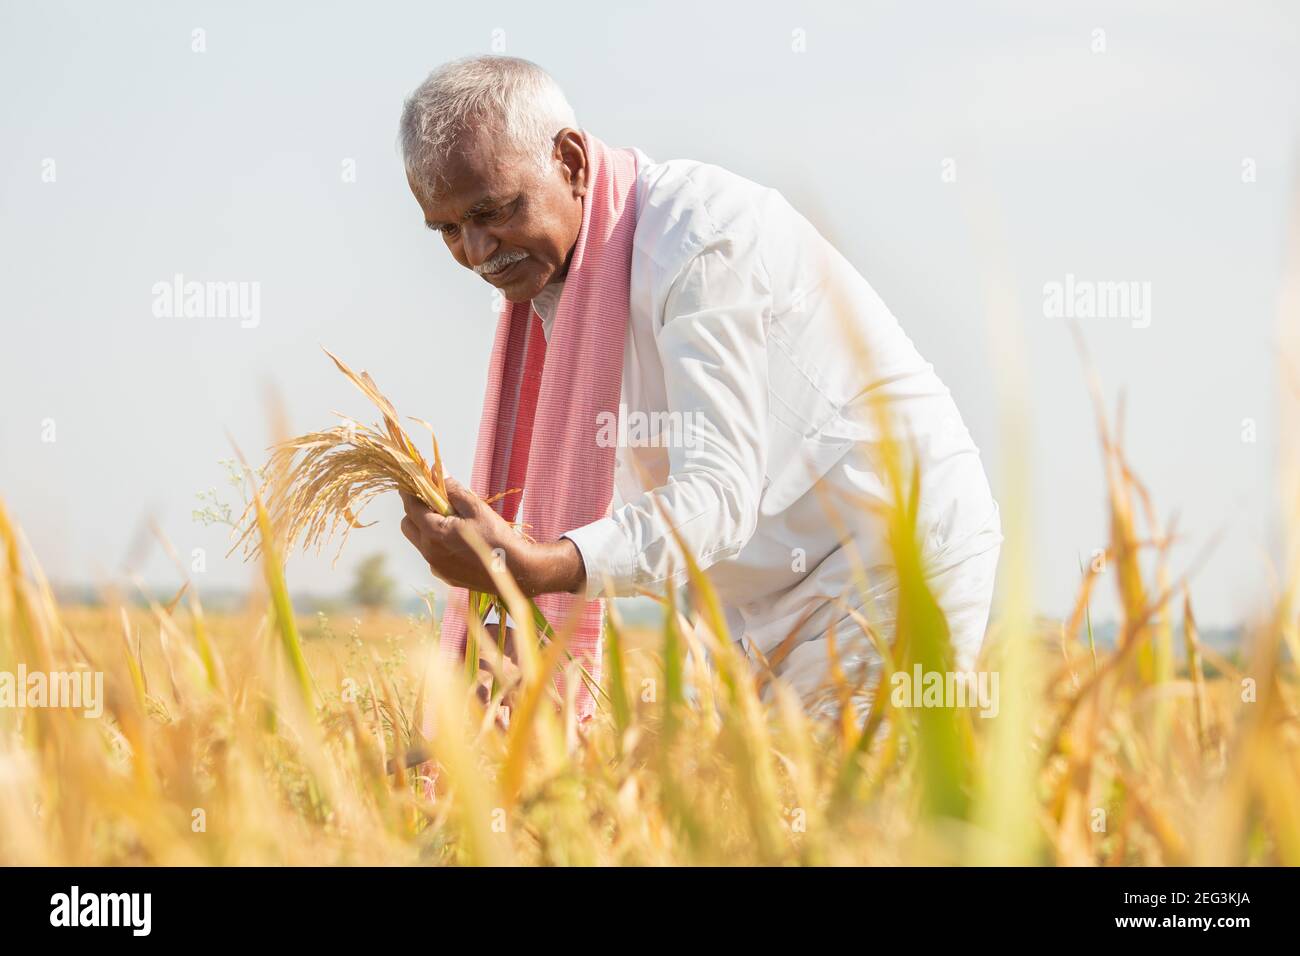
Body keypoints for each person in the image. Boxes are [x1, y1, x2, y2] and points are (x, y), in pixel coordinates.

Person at [396, 55, 1001, 720]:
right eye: (448, 229)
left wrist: (541, 567)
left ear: (569, 160)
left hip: (886, 552)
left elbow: (719, 493)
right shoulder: (552, 293)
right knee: (749, 811)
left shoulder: (698, 239)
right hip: (750, 590)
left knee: (850, 810)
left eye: (493, 210)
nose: (477, 251)